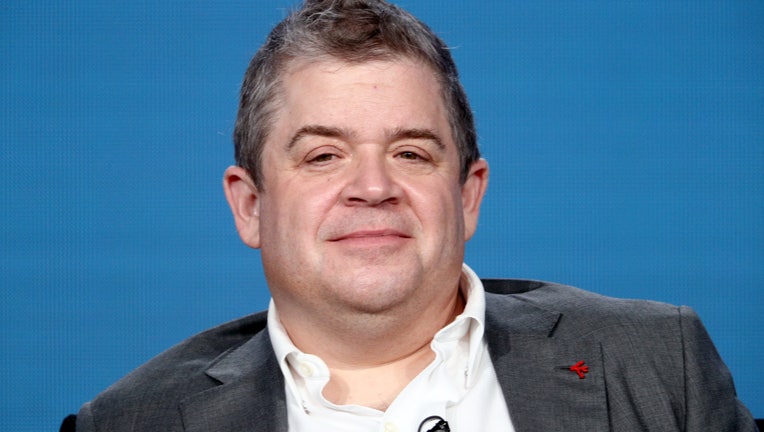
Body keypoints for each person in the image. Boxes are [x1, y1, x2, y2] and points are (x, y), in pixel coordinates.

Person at [65, 0, 758, 431]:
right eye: (323, 157)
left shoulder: (658, 368)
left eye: (412, 153)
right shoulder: (129, 423)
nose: (373, 187)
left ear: (468, 195)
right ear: (250, 206)